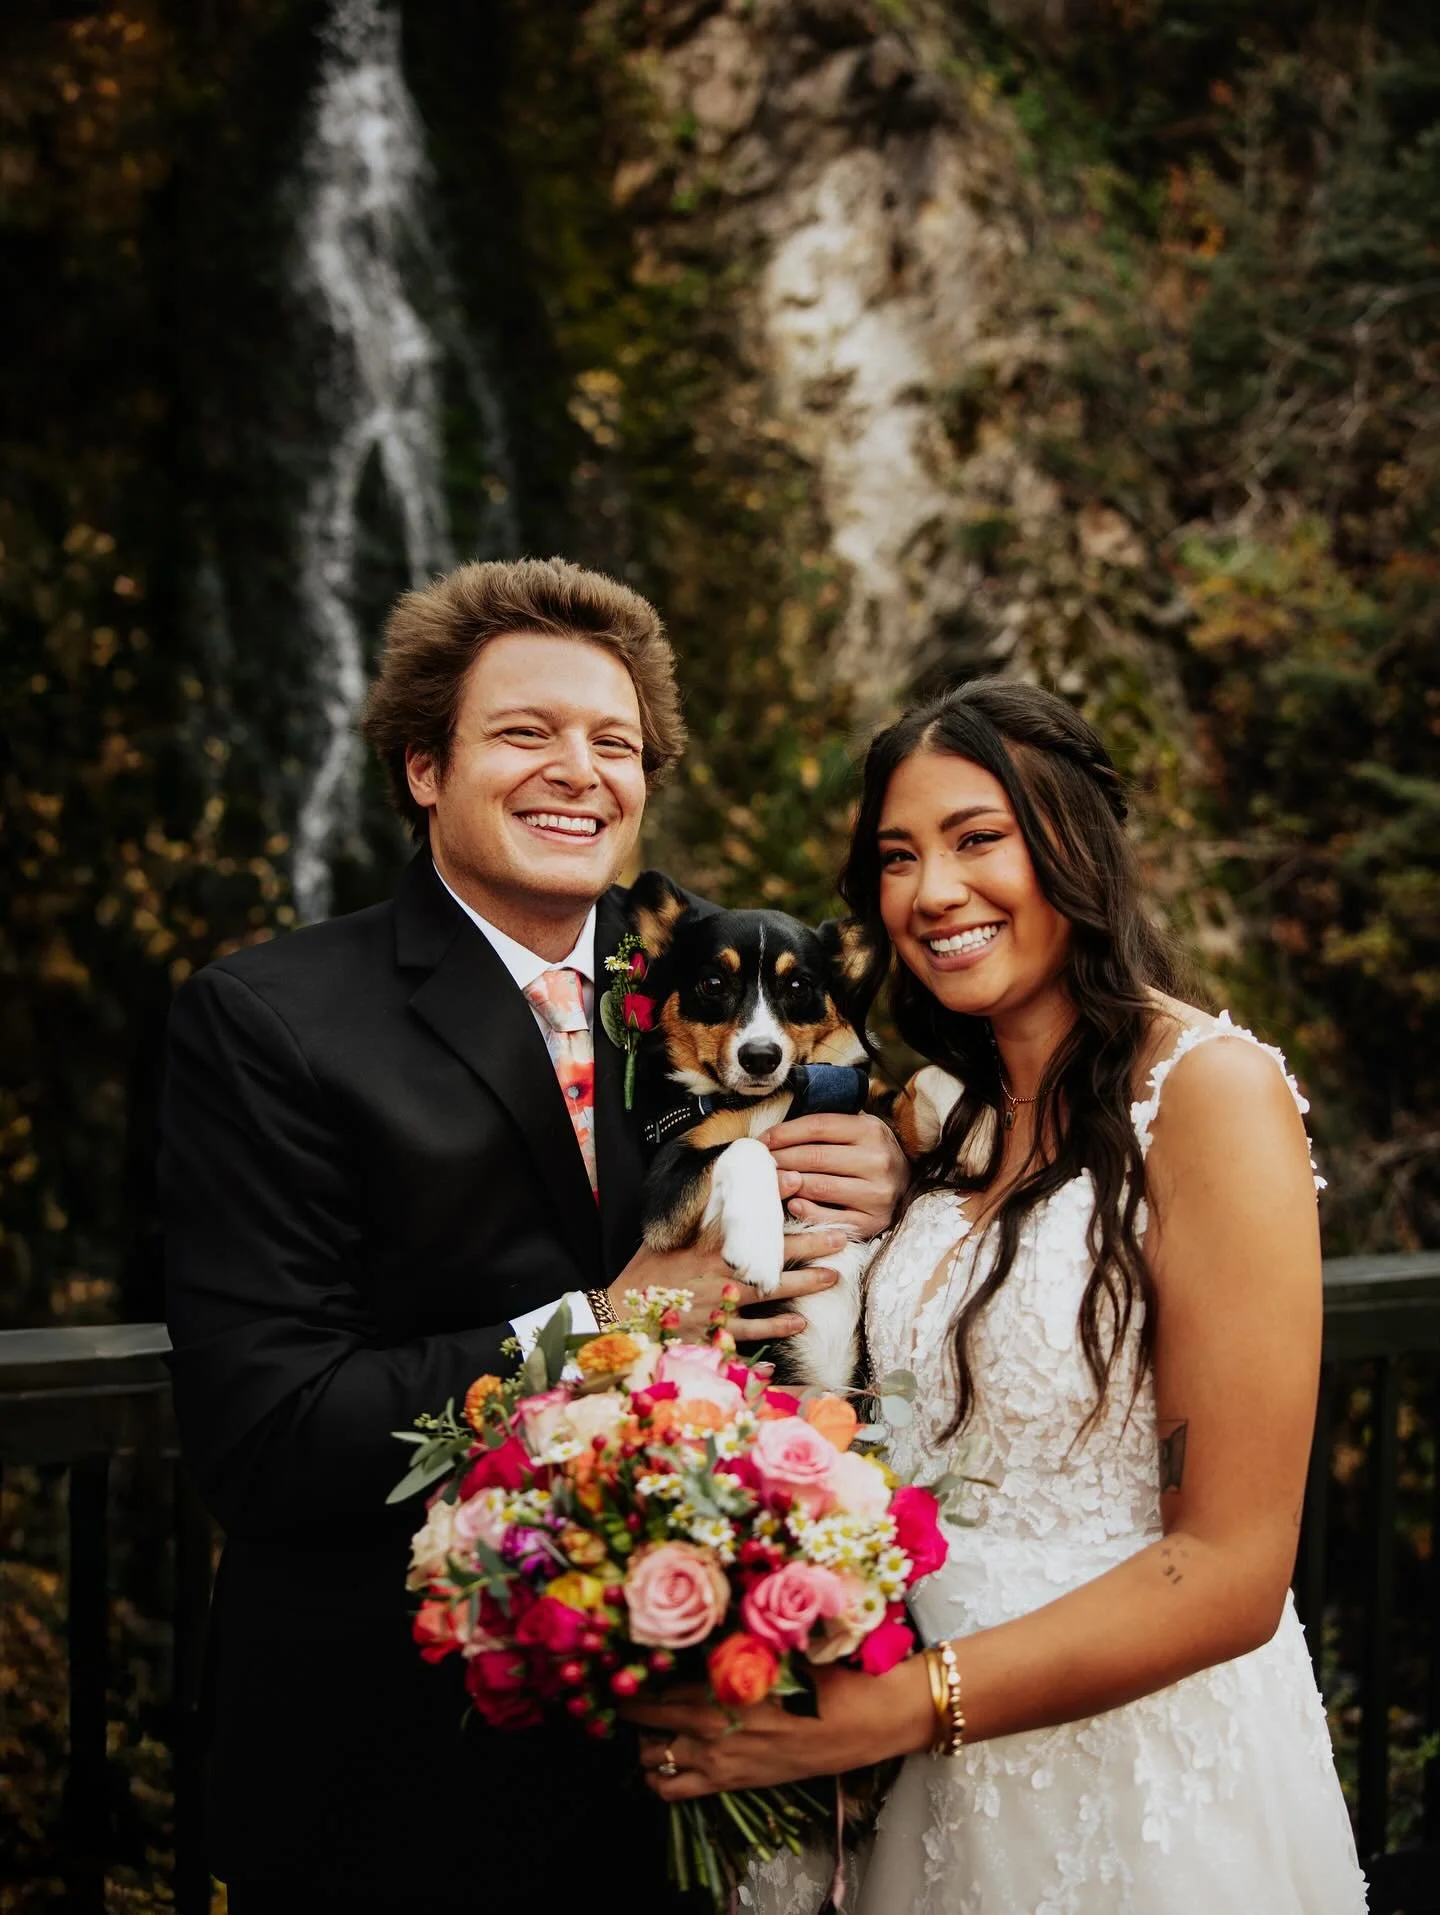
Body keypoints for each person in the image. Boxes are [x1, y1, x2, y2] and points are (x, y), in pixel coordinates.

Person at [158, 557, 907, 1915]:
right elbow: (267, 1432)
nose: (579, 771)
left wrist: (877, 1156)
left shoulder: (717, 988)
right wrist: (608, 1322)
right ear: (423, 767)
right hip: (392, 1786)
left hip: (705, 1767)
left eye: (614, 743)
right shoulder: (270, 1019)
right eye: (524, 732)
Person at [624, 680, 1369, 1915]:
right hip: (906, 1773)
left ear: (1076, 841)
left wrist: (895, 1709)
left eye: (979, 837)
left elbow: (1233, 1569)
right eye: (897, 856)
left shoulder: (1211, 1094)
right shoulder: (940, 1116)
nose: (933, 891)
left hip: (1121, 1779)